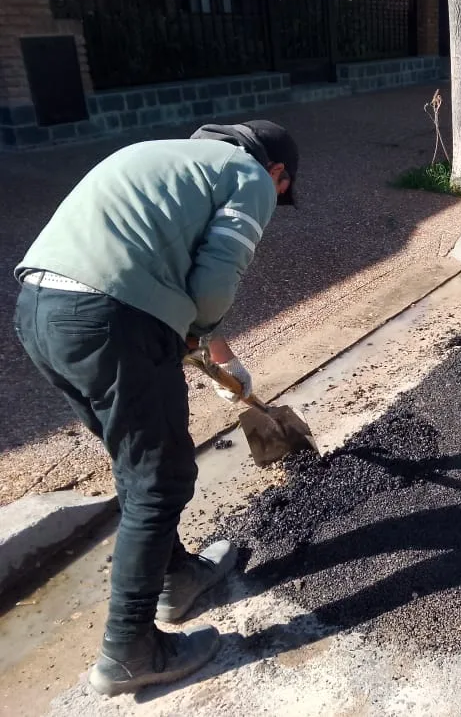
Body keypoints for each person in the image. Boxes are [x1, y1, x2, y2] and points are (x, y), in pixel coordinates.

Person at [12, 120, 300, 696]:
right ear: (278, 172)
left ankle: (177, 577)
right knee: (160, 481)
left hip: (41, 313)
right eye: (282, 189)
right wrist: (196, 331)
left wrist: (216, 352)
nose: (275, 198)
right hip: (111, 320)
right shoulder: (253, 178)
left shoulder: (161, 157)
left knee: (137, 465)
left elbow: (164, 266)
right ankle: (128, 651)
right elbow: (215, 284)